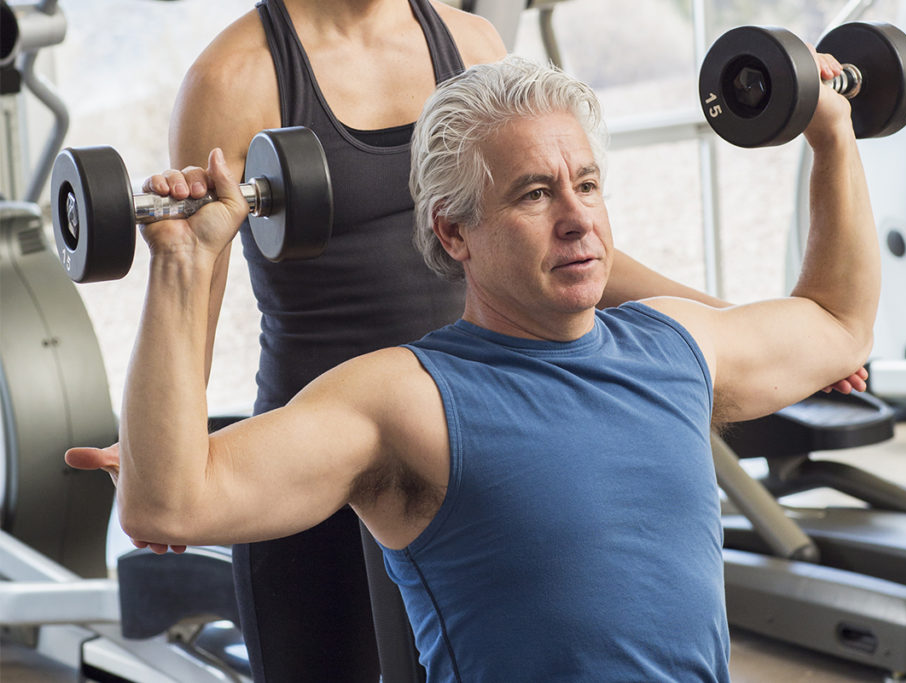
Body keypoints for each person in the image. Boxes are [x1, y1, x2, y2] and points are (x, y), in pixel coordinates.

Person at [74, 2, 864, 680]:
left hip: (486, 418)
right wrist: (167, 448)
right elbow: (197, 288)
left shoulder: (471, 43)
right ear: (447, 232)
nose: (577, 204)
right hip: (335, 428)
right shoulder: (234, 76)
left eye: (591, 185)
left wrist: (742, 335)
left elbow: (564, 237)